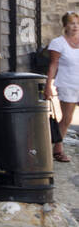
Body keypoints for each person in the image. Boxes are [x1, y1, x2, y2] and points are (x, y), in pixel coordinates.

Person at [46, 12, 79, 163]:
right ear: (65, 25)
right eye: (72, 23)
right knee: (67, 119)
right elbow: (53, 65)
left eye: (77, 23)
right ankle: (57, 150)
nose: (75, 26)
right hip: (67, 85)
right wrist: (48, 86)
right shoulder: (58, 43)